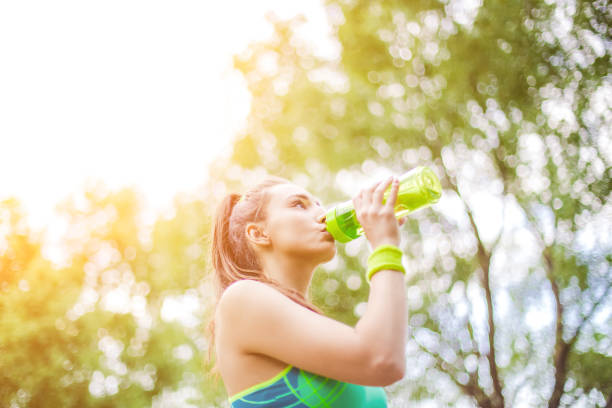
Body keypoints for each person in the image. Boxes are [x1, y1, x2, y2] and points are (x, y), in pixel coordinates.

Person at [207, 174, 407, 407]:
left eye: (319, 205)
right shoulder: (241, 299)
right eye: (298, 205)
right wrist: (384, 245)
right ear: (258, 233)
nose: (323, 214)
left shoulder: (310, 329)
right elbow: (382, 360)